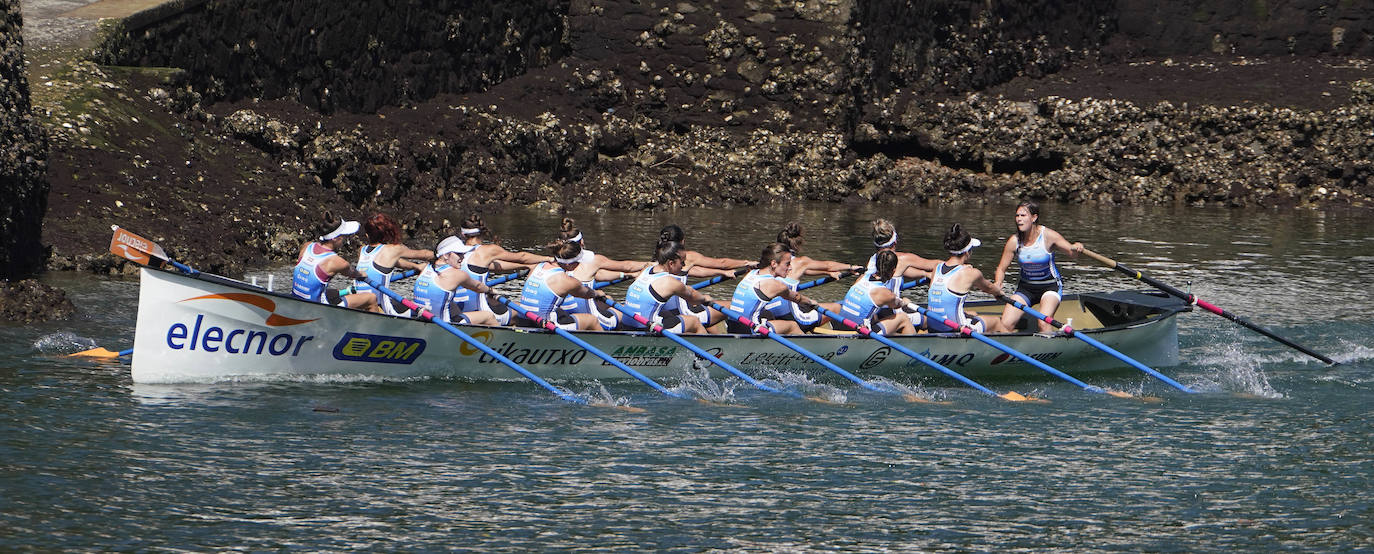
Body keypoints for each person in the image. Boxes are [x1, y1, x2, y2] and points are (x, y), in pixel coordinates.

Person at [993, 201, 1085, 333]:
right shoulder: (1014, 241)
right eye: (1017, 216)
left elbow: (1072, 253)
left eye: (1023, 215)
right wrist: (998, 283)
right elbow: (1001, 269)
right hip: (1026, 288)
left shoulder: (1048, 236)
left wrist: (1077, 246)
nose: (1019, 219)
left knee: (1043, 321)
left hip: (1050, 286)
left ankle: (1050, 350)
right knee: (1005, 324)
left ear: (1034, 217)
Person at [553, 218, 652, 329]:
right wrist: (652, 264)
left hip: (566, 316)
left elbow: (598, 275)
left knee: (607, 298)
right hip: (593, 321)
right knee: (625, 312)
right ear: (581, 242)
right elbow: (627, 266)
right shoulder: (593, 260)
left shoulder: (555, 262)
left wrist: (627, 275)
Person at [656, 224, 750, 332]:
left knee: (705, 305)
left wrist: (722, 272)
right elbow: (722, 263)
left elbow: (694, 271)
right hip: (683, 312)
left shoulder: (659, 260)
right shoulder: (687, 256)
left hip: (666, 313)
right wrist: (747, 263)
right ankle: (736, 340)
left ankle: (717, 340)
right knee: (736, 307)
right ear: (682, 241)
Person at [769, 222, 863, 330]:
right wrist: (850, 267)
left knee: (810, 304)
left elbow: (805, 271)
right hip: (792, 316)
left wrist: (826, 273)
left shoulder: (772, 262)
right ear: (797, 244)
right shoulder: (801, 262)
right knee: (837, 308)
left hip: (772, 311)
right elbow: (828, 265)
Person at [616, 241, 717, 333]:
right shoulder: (669, 282)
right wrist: (705, 298)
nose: (683, 265)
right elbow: (693, 299)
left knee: (668, 315)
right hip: (646, 329)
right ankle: (711, 350)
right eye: (682, 262)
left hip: (627, 324)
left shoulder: (646, 269)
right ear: (671, 263)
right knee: (694, 322)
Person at [926, 223, 1009, 333]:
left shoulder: (937, 267)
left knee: (973, 313)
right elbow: (989, 288)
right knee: (996, 322)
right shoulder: (971, 273)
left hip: (933, 327)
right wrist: (999, 293)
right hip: (956, 330)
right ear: (967, 252)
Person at [724, 243, 823, 335]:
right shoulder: (776, 285)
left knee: (768, 314)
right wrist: (810, 302)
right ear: (774, 264)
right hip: (749, 330)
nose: (790, 268)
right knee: (792, 325)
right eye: (787, 264)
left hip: (732, 326)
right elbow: (796, 297)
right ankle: (807, 350)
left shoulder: (751, 273)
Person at [513, 241, 610, 331]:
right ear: (569, 264)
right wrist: (597, 293)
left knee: (561, 310)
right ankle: (606, 346)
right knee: (591, 320)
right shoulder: (567, 281)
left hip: (523, 320)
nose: (580, 264)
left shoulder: (537, 266)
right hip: (547, 325)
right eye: (578, 262)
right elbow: (587, 294)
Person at [291, 216, 379, 311]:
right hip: (318, 308)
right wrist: (365, 274)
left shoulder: (307, 246)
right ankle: (373, 325)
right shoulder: (337, 262)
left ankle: (348, 291)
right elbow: (355, 274)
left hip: (297, 300)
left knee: (334, 292)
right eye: (343, 236)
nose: (345, 238)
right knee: (371, 298)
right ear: (335, 238)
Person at [411, 237, 506, 325]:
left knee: (452, 304)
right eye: (459, 254)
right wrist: (490, 291)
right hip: (444, 325)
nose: (462, 258)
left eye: (463, 254)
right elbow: (478, 287)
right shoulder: (457, 274)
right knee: (488, 316)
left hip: (423, 319)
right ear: (446, 255)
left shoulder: (425, 267)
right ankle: (498, 341)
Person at [354, 213, 435, 315]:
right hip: (382, 309)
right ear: (386, 233)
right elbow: (424, 255)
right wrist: (440, 255)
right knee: (426, 311)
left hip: (359, 305)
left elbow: (389, 262)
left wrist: (416, 266)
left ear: (367, 235)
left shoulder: (361, 251)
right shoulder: (393, 250)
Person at [838, 250, 919, 335]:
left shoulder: (862, 277)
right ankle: (913, 345)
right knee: (903, 318)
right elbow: (896, 305)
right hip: (860, 331)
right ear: (894, 270)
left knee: (874, 314)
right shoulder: (886, 293)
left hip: (842, 323)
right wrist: (905, 302)